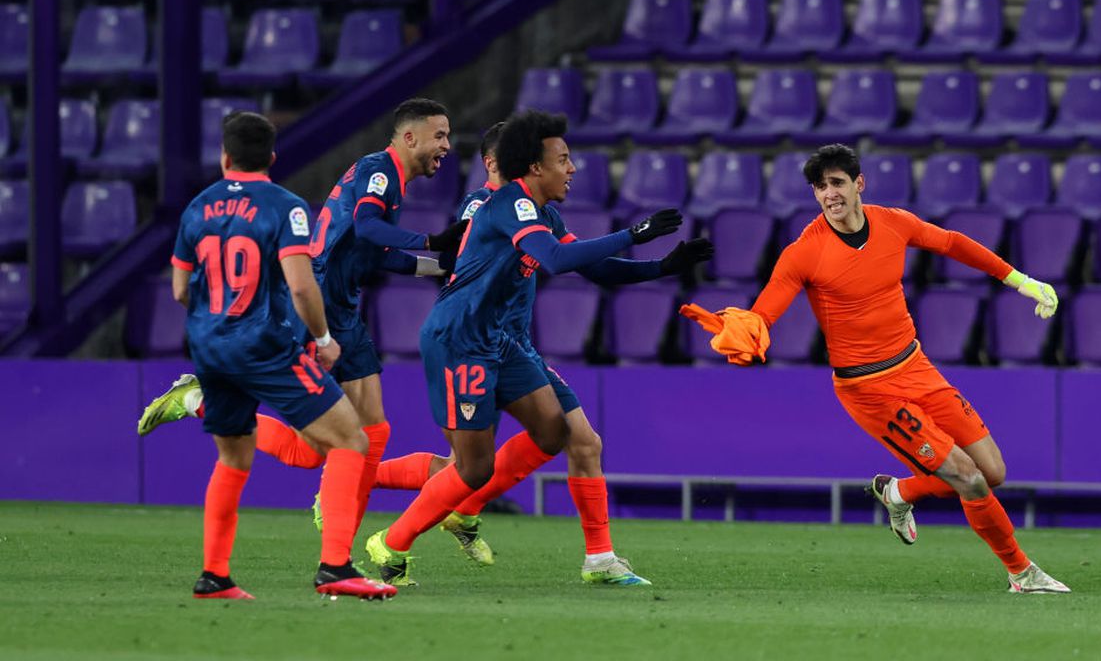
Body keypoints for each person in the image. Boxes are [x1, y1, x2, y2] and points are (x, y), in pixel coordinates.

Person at [681, 143, 1071, 595]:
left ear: (858, 183)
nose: (829, 194)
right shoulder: (804, 253)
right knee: (968, 477)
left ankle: (899, 493)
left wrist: (1020, 281)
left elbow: (951, 243)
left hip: (916, 366)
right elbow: (767, 308)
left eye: (837, 183)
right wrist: (746, 326)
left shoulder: (893, 223)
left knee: (993, 472)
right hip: (868, 389)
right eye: (820, 187)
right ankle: (1022, 573)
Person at [370, 121, 713, 585]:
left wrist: (662, 266)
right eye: (563, 160)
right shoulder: (508, 203)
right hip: (461, 339)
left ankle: (596, 559)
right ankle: (391, 542)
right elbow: (554, 260)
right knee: (471, 468)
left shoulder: (544, 215)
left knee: (557, 433)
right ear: (534, 166)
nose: (572, 169)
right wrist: (634, 233)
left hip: (502, 342)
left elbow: (592, 266)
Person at [140, 99, 467, 537]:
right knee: (331, 443)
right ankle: (201, 403)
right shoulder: (379, 171)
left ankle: (339, 514)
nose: (446, 145)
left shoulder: (389, 178)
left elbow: (373, 252)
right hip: (321, 304)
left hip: (342, 304)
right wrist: (431, 239)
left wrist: (438, 266)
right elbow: (369, 227)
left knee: (361, 432)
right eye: (440, 135)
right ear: (410, 138)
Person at [171, 111, 395, 600]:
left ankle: (214, 576)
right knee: (351, 441)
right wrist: (322, 339)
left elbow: (179, 289)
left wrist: (215, 324)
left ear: (224, 157)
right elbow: (299, 284)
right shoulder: (286, 207)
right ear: (272, 157)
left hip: (209, 346)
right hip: (263, 345)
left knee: (234, 456)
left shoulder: (196, 208)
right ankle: (335, 568)